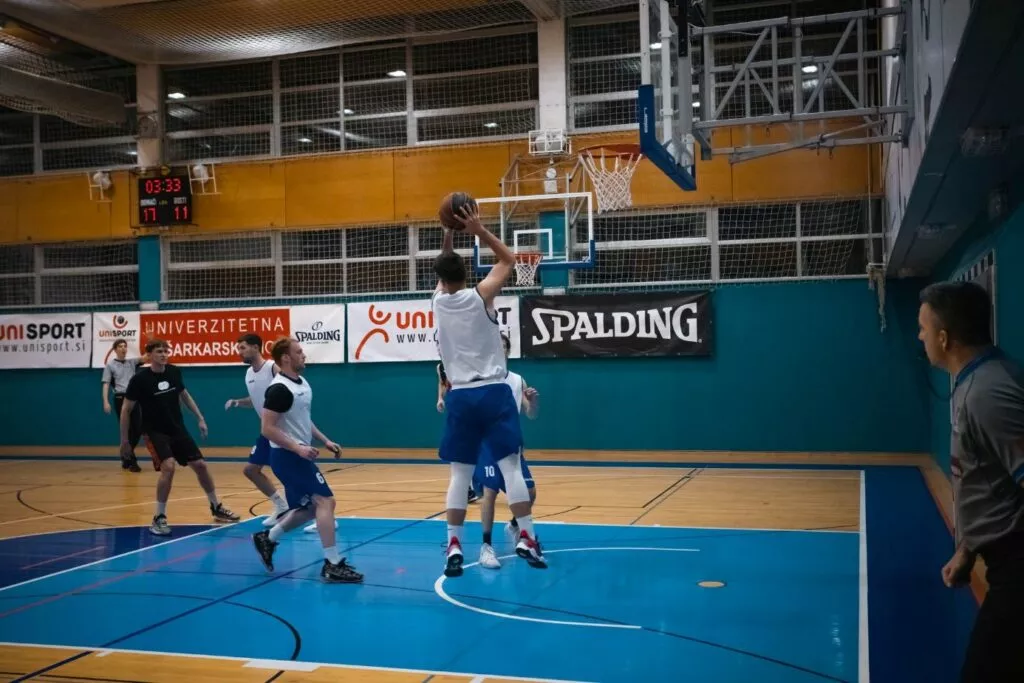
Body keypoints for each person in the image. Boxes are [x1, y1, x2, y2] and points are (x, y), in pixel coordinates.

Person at [917, 280, 1024, 683]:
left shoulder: (988, 393)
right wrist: (968, 548)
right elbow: (993, 481)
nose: (920, 337)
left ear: (944, 338)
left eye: (923, 328)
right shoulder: (976, 382)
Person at [431, 202, 545, 578]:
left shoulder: (437, 303)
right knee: (511, 468)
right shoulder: (481, 295)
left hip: (460, 395)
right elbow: (509, 260)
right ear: (466, 274)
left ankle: (453, 546)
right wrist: (478, 230)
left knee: (459, 477)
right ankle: (526, 537)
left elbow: (445, 267)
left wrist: (448, 232)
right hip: (494, 391)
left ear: (440, 279)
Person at [251, 336, 363, 584]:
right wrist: (298, 448)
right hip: (287, 456)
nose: (304, 355)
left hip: (297, 454)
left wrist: (325, 440)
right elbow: (267, 428)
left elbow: (302, 419)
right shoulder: (279, 389)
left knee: (310, 508)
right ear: (286, 358)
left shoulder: (301, 383)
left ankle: (267, 538)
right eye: (299, 352)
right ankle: (332, 563)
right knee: (326, 501)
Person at [121, 339, 240, 535]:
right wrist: (125, 441)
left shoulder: (174, 372)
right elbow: (126, 409)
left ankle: (216, 506)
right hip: (155, 431)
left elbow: (185, 395)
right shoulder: (140, 379)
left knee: (201, 465)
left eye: (166, 351)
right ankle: (159, 517)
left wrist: (200, 418)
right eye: (159, 351)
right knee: (168, 467)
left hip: (177, 428)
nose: (164, 354)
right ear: (149, 355)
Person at [476, 331, 540, 569]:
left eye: (503, 345)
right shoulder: (481, 378)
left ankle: (515, 526)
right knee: (489, 492)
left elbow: (531, 414)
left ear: (508, 350)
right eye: (496, 345)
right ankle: (486, 546)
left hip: (511, 445)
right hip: (488, 444)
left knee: (530, 493)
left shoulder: (517, 380)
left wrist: (533, 403)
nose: (499, 348)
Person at [225, 333, 291, 527]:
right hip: (267, 431)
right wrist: (238, 402)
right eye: (238, 348)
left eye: (243, 348)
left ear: (255, 347)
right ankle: (281, 506)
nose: (239, 352)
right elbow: (255, 400)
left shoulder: (272, 368)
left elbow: (290, 390)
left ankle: (321, 511)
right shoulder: (248, 374)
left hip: (285, 429)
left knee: (291, 472)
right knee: (251, 470)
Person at [436, 355, 481, 504]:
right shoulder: (440, 367)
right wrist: (440, 398)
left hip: (470, 405)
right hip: (456, 409)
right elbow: (442, 383)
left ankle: (479, 484)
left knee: (475, 448)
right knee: (460, 452)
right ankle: (468, 489)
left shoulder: (462, 360)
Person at [102, 339, 142, 472]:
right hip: (120, 398)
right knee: (127, 429)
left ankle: (125, 455)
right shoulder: (110, 365)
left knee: (138, 429)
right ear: (115, 350)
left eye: (125, 346)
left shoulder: (132, 362)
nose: (123, 348)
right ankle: (132, 461)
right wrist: (105, 401)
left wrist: (150, 339)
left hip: (134, 398)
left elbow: (147, 357)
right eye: (120, 346)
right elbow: (106, 383)